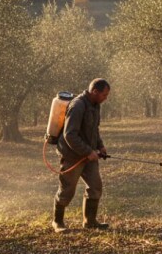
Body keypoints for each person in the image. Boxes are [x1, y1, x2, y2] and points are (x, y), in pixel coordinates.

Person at [52, 78, 111, 232]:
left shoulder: (96, 105)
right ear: (95, 91)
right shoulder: (77, 106)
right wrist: (88, 151)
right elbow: (69, 135)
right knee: (67, 189)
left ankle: (89, 222)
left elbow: (94, 129)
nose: (106, 98)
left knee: (95, 186)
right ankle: (57, 222)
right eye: (104, 95)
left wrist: (100, 146)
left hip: (89, 155)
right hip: (72, 155)